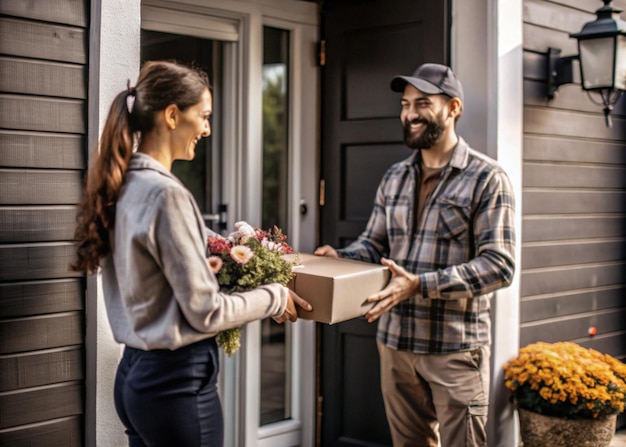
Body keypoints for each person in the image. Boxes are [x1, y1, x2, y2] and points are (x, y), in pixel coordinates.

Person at [70, 60, 311, 447]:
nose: (207, 129)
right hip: (174, 384)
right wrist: (275, 296)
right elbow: (206, 311)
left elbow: (180, 250)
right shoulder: (166, 195)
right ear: (171, 115)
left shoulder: (125, 184)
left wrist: (240, 249)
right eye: (203, 116)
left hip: (135, 375)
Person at [315, 63, 515, 447]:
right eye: (405, 104)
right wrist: (338, 257)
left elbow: (499, 266)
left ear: (454, 107)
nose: (409, 114)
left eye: (422, 103)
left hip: (455, 350)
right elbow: (373, 245)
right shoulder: (394, 176)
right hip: (395, 343)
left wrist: (420, 285)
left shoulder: (488, 178)